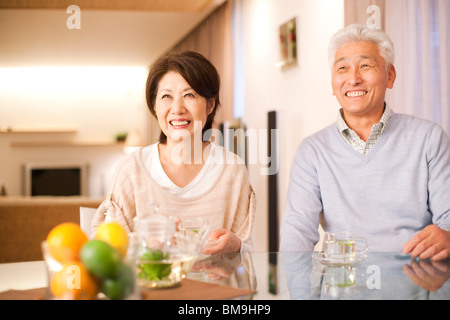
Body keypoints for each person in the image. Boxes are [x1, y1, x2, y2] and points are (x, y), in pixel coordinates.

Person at [280, 24, 450, 261]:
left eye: (365, 66)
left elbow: (448, 221)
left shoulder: (429, 138)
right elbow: (296, 233)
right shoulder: (312, 151)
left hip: (413, 288)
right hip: (342, 287)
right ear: (333, 82)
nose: (353, 79)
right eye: (342, 68)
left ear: (390, 76)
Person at [91, 51, 256, 255]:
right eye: (166, 96)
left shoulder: (233, 169)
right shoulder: (131, 171)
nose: (177, 109)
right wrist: (145, 248)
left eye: (189, 95)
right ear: (154, 106)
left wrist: (237, 246)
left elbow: (248, 253)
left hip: (215, 286)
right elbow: (107, 252)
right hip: (149, 286)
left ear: (210, 104)